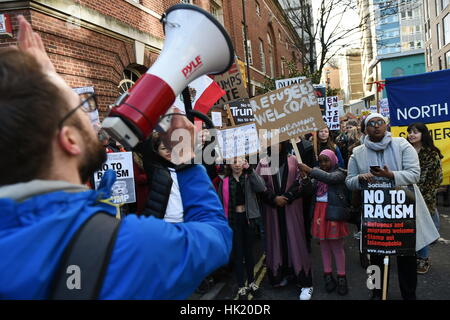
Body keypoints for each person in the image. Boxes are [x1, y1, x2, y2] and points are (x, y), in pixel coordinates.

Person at [0, 16, 232, 299]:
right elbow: (216, 237)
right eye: (83, 108)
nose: (95, 122)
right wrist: (184, 158)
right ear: (69, 140)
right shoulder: (132, 247)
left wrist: (38, 89)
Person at [346, 113, 439, 300]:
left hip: (403, 210)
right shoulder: (357, 153)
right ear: (365, 130)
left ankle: (409, 294)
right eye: (371, 124)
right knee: (375, 257)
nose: (376, 126)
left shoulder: (402, 145)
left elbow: (414, 175)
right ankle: (377, 292)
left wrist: (391, 176)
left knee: (406, 257)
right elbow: (349, 182)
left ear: (386, 125)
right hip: (376, 212)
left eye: (380, 122)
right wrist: (359, 179)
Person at [256, 141, 313, 300]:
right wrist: (273, 198)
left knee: (295, 241)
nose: (274, 145)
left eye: (278, 142)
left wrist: (287, 197)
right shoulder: (264, 163)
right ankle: (281, 275)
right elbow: (260, 186)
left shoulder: (294, 160)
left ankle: (305, 282)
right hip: (272, 210)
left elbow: (299, 182)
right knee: (277, 240)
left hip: (291, 208)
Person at [299, 150, 350, 296]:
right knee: (324, 246)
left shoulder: (339, 172)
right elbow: (309, 191)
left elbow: (330, 178)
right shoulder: (318, 175)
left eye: (326, 160)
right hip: (319, 213)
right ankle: (327, 276)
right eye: (320, 161)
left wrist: (310, 170)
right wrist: (305, 179)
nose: (323, 164)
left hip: (333, 212)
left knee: (337, 247)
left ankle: (341, 277)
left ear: (334, 160)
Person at [218, 157, 266, 300]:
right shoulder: (225, 181)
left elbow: (261, 187)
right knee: (238, 255)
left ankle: (251, 282)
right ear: (229, 165)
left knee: (249, 253)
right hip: (233, 221)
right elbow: (220, 203)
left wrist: (250, 170)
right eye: (234, 162)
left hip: (248, 219)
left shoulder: (248, 177)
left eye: (240, 161)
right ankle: (241, 286)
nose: (237, 164)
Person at [407, 122, 443, 274]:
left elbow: (437, 178)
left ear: (423, 134)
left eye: (415, 132)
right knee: (409, 228)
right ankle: (412, 254)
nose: (411, 134)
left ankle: (424, 258)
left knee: (421, 228)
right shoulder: (405, 150)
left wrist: (425, 195)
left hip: (424, 197)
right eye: (409, 132)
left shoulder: (431, 153)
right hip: (405, 195)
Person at [140, 133, 184, 223]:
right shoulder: (155, 169)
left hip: (185, 221)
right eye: (164, 148)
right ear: (157, 152)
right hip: (164, 221)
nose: (168, 151)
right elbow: (146, 149)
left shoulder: (184, 168)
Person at [286, 135, 318, 253]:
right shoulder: (281, 145)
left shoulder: (307, 146)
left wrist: (306, 172)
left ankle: (305, 242)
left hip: (304, 187)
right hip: (287, 187)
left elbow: (313, 168)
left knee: (305, 216)